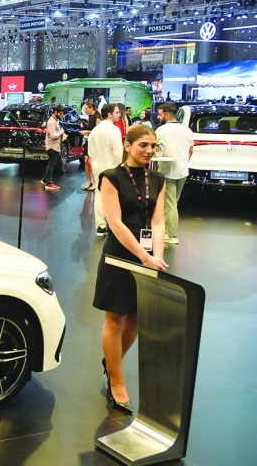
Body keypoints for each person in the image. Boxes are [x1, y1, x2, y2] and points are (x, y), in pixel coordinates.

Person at [95, 124, 168, 414]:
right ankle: (117, 380)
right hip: (119, 254)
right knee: (115, 317)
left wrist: (156, 256)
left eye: (153, 146)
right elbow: (115, 223)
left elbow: (159, 221)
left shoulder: (158, 178)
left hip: (148, 255)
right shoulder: (111, 178)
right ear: (128, 145)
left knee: (136, 318)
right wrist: (143, 256)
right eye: (143, 146)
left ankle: (111, 363)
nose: (149, 151)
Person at [154, 102, 193, 245]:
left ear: (167, 115)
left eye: (160, 114)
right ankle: (165, 233)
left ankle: (172, 236)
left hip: (167, 171)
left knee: (170, 205)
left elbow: (158, 151)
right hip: (183, 171)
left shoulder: (161, 130)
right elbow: (190, 151)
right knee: (172, 203)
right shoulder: (187, 130)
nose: (158, 117)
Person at [88, 104, 125, 236]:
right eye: (117, 112)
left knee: (99, 196)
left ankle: (100, 226)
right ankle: (113, 225)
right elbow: (118, 152)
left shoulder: (94, 131)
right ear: (109, 114)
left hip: (97, 168)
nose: (119, 115)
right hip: (112, 168)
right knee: (113, 197)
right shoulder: (114, 130)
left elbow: (90, 153)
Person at [41, 104, 66, 190]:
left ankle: (45, 179)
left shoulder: (56, 120)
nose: (61, 115)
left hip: (55, 145)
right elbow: (53, 135)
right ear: (55, 112)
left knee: (51, 163)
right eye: (60, 113)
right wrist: (61, 132)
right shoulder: (51, 121)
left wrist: (61, 133)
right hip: (52, 146)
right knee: (51, 164)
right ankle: (49, 182)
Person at [80, 102, 99, 191]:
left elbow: (98, 132)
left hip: (95, 142)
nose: (85, 110)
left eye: (86, 108)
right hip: (89, 141)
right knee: (86, 160)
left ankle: (96, 182)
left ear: (92, 108)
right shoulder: (90, 117)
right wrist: (84, 126)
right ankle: (88, 181)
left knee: (91, 161)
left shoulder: (97, 118)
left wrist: (86, 131)